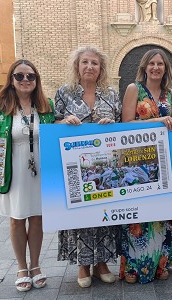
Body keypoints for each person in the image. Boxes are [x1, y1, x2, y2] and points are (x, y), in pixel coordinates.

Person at [54, 46, 122, 288]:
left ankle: (102, 262)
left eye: (94, 63)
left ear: (101, 68)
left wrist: (112, 124)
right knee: (80, 216)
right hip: (75, 168)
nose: (90, 67)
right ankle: (83, 264)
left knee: (105, 212)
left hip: (105, 169)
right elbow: (53, 123)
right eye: (85, 62)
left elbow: (123, 125)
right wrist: (64, 122)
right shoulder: (64, 93)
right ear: (77, 66)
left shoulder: (111, 94)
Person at [0, 59, 54, 292]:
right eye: (20, 76)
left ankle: (35, 266)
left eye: (30, 76)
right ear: (11, 80)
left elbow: (55, 133)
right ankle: (21, 267)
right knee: (16, 219)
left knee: (37, 218)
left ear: (37, 80)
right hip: (13, 169)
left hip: (39, 171)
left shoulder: (46, 106)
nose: (25, 80)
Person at [120, 48, 172, 284]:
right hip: (136, 163)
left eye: (160, 64)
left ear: (165, 68)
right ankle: (133, 267)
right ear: (144, 67)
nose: (155, 67)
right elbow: (126, 123)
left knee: (160, 213)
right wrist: (158, 120)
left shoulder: (170, 94)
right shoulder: (134, 89)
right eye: (151, 63)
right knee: (137, 214)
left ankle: (159, 264)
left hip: (162, 163)